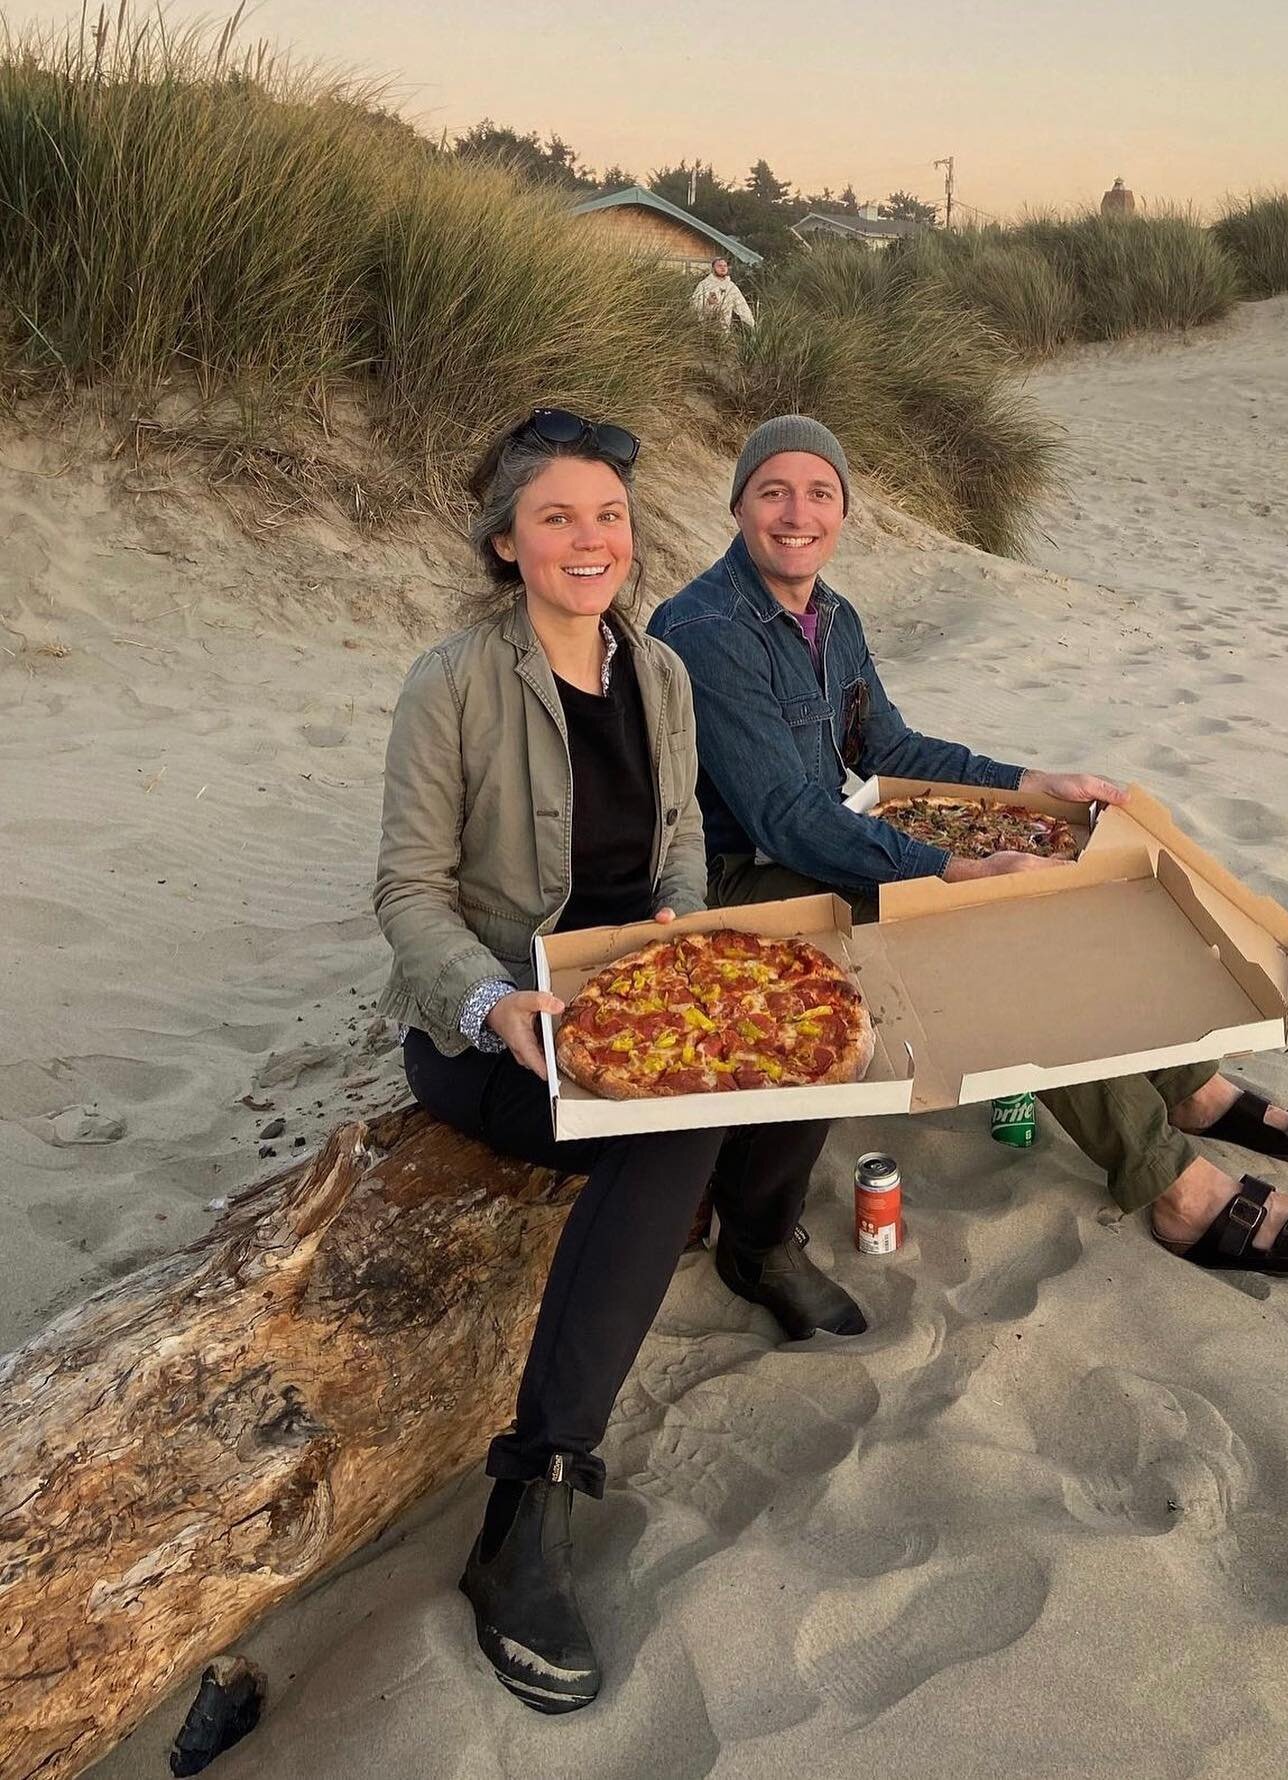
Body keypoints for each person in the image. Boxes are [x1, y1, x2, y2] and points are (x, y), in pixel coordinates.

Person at [373, 407, 863, 1716]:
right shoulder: (454, 683)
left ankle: (761, 1244)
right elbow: (409, 895)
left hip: (628, 991)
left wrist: (678, 928)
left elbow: (683, 859)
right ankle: (527, 1505)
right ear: (505, 543)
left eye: (608, 516)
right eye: (557, 518)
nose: (592, 540)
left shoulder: (658, 676)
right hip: (492, 1029)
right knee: (671, 1124)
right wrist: (492, 1002)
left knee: (795, 1024)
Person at [650, 416, 1288, 1281]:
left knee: (1067, 887)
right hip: (743, 879)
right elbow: (782, 816)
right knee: (987, 934)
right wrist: (950, 870)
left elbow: (888, 751)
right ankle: (1177, 1192)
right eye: (773, 491)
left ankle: (1190, 1088)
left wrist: (1036, 782)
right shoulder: (710, 631)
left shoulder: (831, 614)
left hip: (818, 841)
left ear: (844, 510)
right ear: (737, 506)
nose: (796, 512)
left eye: (820, 493)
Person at [690, 256, 755, 332]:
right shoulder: (704, 285)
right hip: (706, 328)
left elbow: (742, 306)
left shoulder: (731, 286)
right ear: (713, 268)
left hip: (725, 329)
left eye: (725, 266)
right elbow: (694, 305)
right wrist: (708, 303)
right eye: (719, 266)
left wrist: (751, 324)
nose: (723, 268)